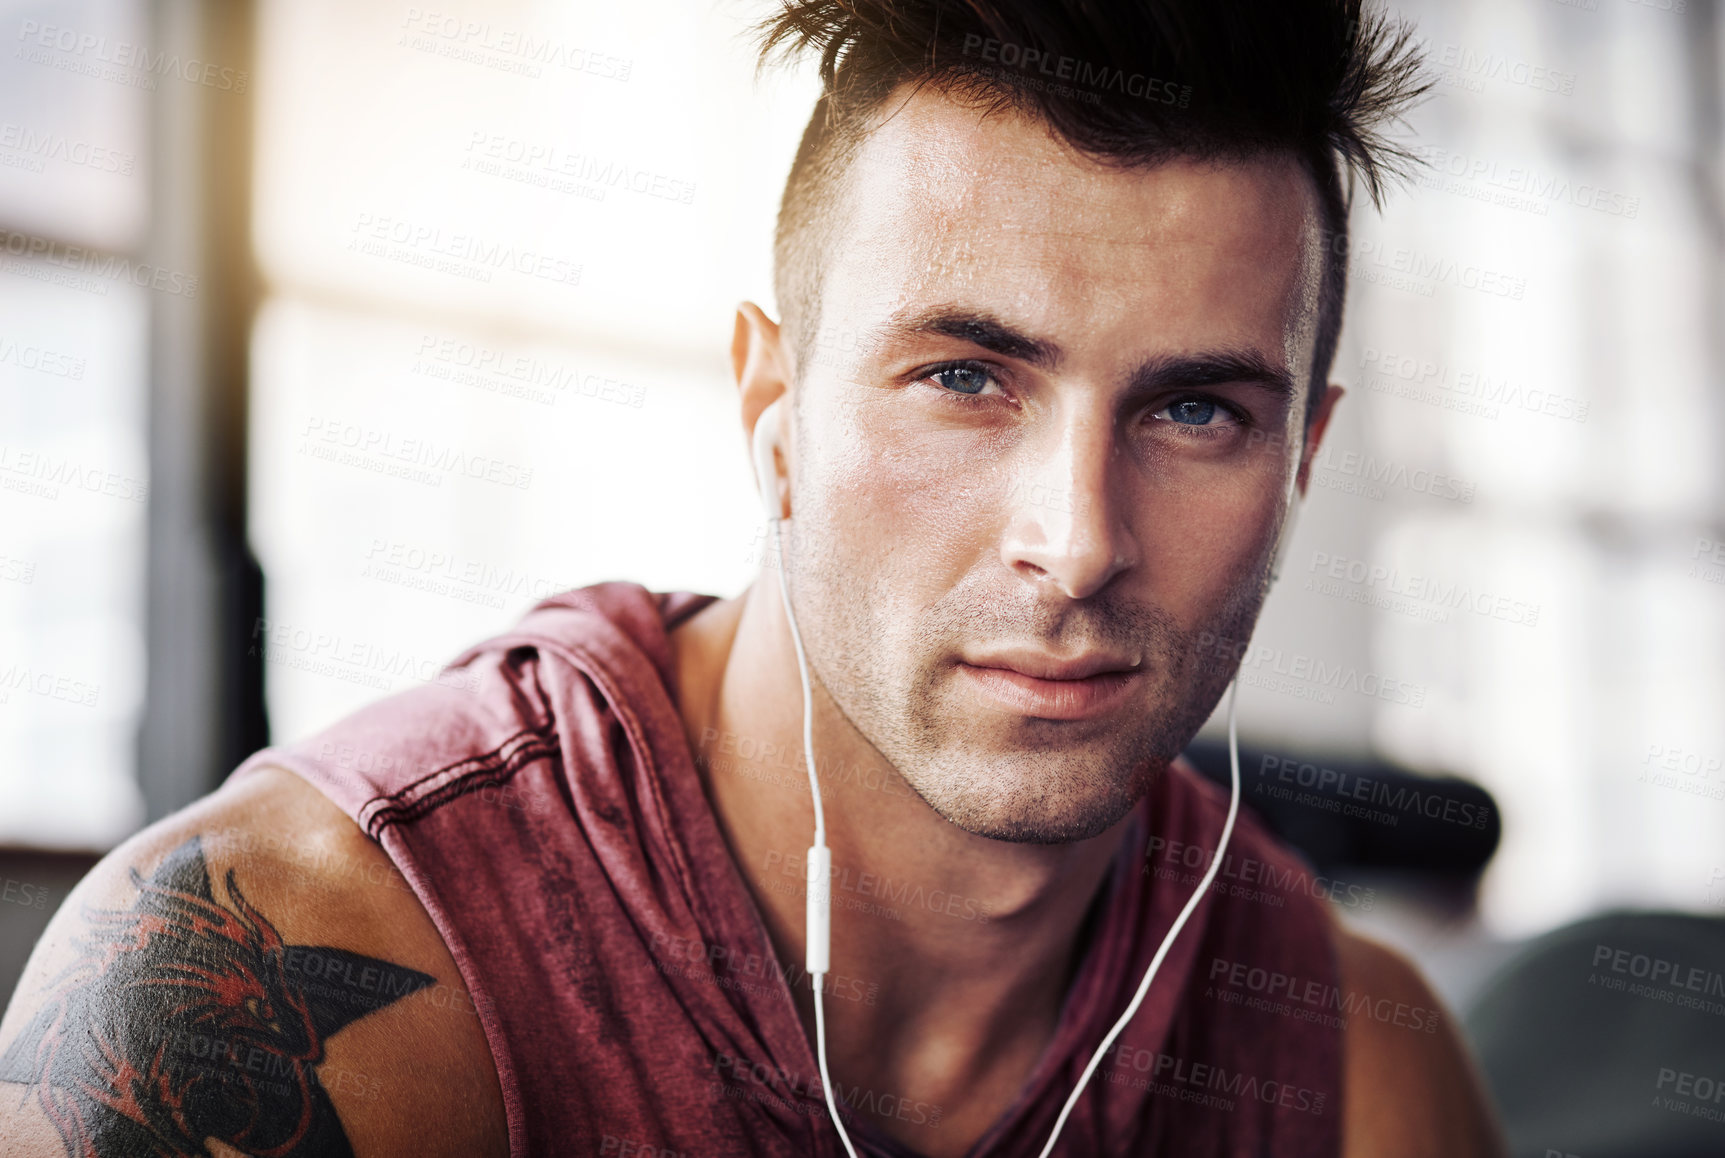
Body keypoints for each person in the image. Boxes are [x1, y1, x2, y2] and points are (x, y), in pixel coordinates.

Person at [0, 1, 1508, 1154]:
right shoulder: (288, 970)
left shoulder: (1355, 1078)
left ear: (1300, 453)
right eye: (966, 377)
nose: (1079, 539)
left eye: (1195, 410)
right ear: (771, 414)